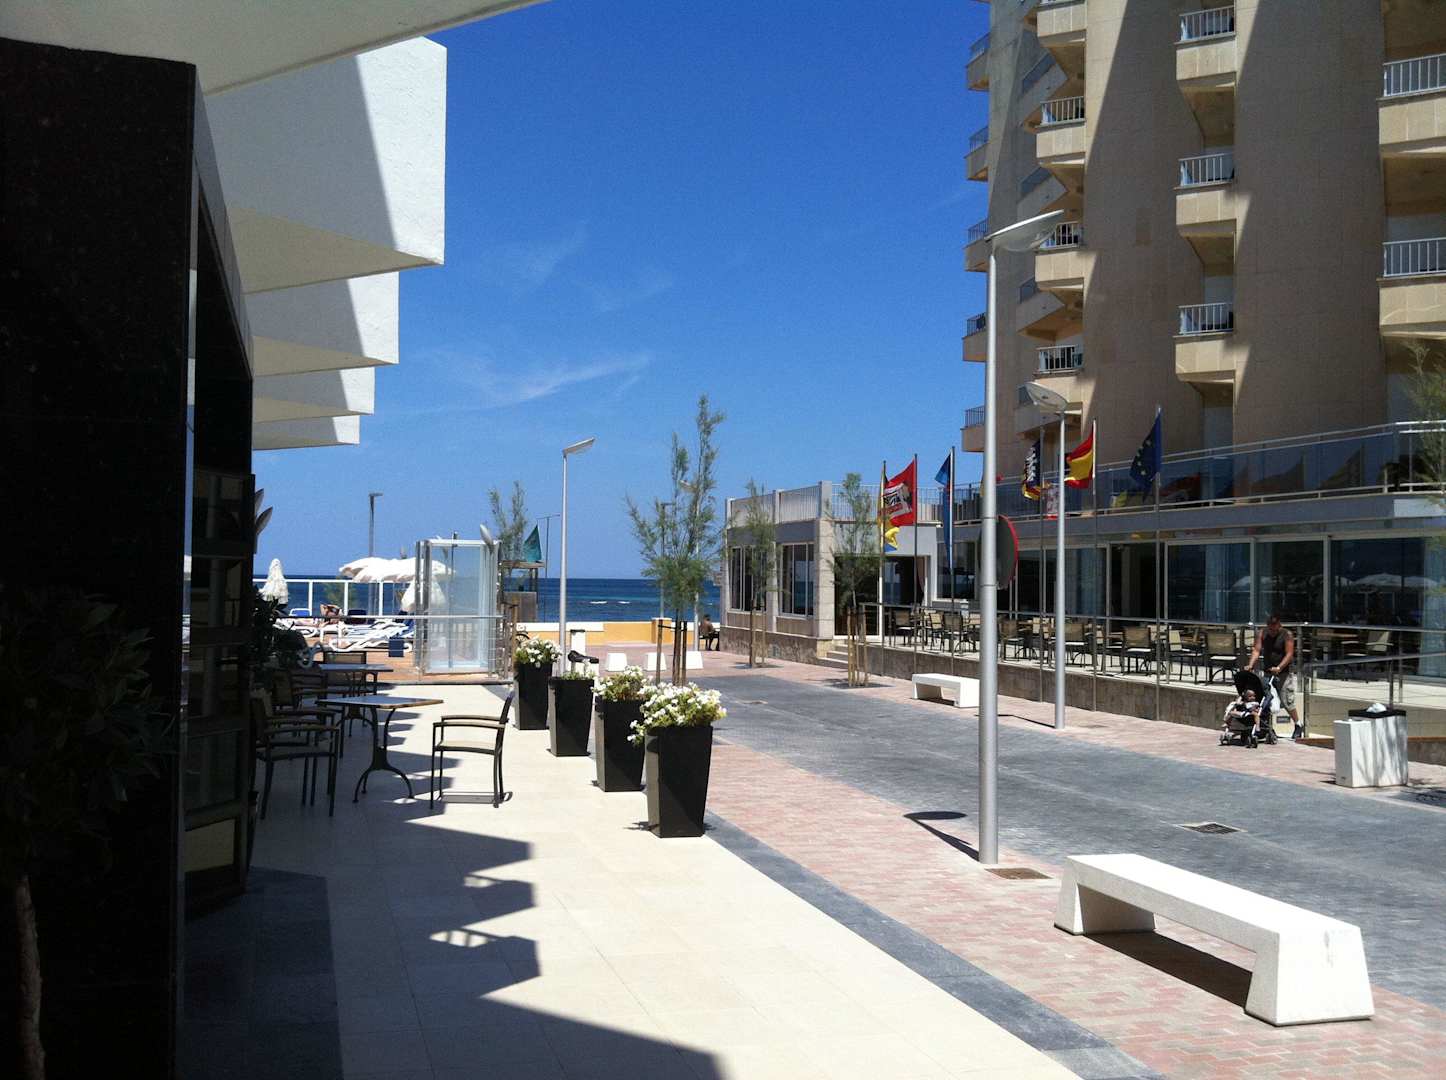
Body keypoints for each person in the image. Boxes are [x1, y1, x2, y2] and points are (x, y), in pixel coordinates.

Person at [1248, 614, 1302, 740]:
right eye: (1270, 629)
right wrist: (1250, 664)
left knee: (1286, 700)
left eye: (1275, 629)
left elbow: (1289, 654)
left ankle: (1298, 725)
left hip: (1283, 673)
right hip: (1268, 672)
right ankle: (1266, 727)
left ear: (1279, 625)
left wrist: (1279, 667)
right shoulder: (1262, 633)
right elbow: (1257, 650)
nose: (1272, 632)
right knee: (1266, 700)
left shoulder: (1286, 634)